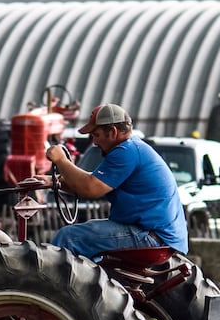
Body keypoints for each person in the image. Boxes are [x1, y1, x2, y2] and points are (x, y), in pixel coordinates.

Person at [37, 103, 187, 258]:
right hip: (159, 237)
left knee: (69, 237)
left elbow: (90, 188)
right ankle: (89, 282)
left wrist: (61, 160)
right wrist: (54, 181)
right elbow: (96, 182)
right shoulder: (132, 149)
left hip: (150, 237)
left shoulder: (125, 152)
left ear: (113, 132)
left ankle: (47, 282)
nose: (94, 142)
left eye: (96, 135)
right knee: (90, 243)